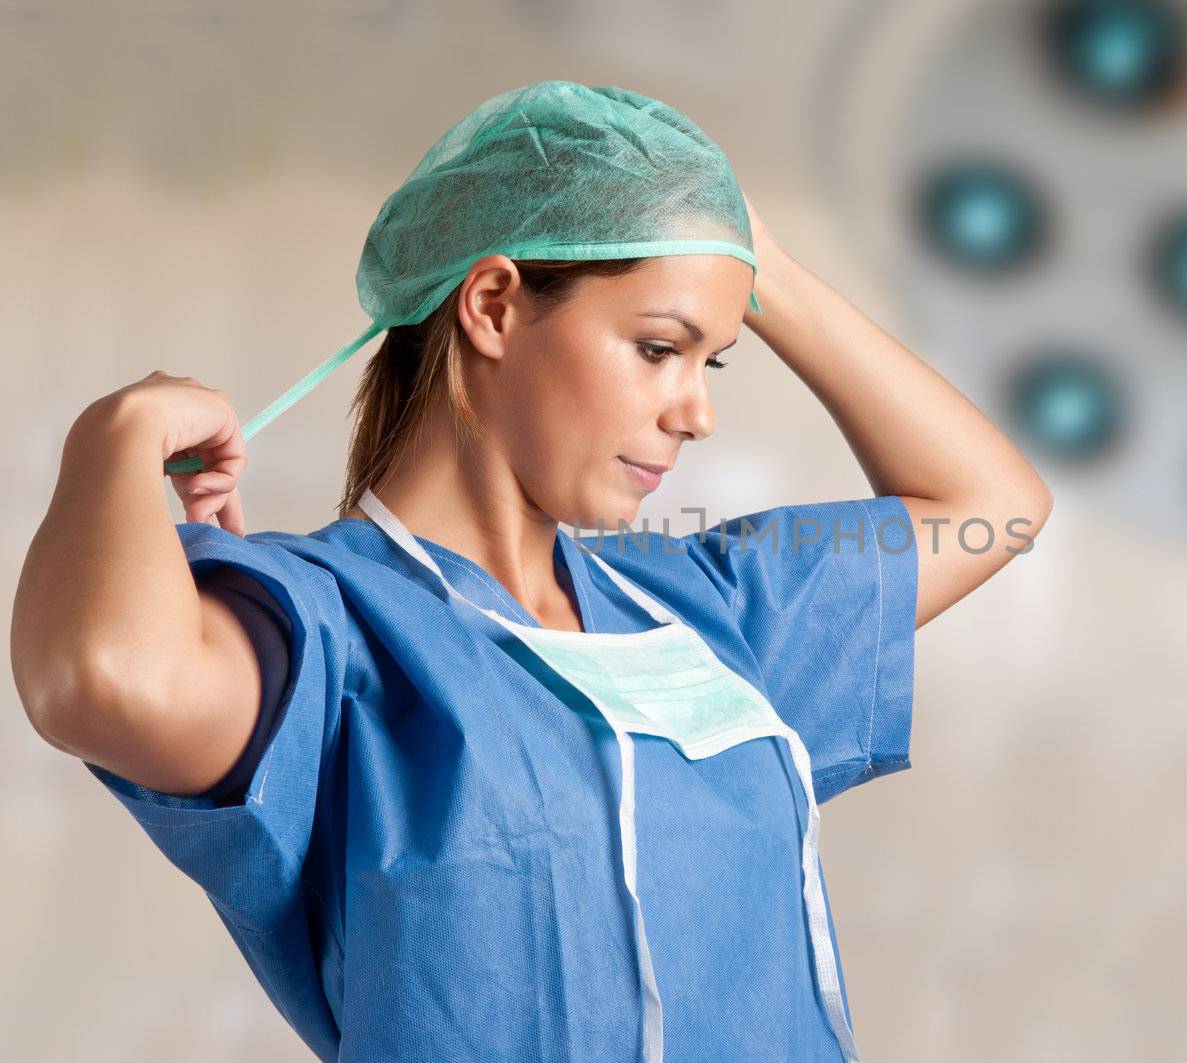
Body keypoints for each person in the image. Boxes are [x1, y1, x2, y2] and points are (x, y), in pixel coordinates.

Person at [12, 81, 1052, 1062]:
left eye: (712, 359)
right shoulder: (323, 635)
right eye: (658, 348)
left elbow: (991, 506)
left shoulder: (709, 609)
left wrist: (746, 253)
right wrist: (117, 432)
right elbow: (101, 680)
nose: (696, 413)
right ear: (495, 304)